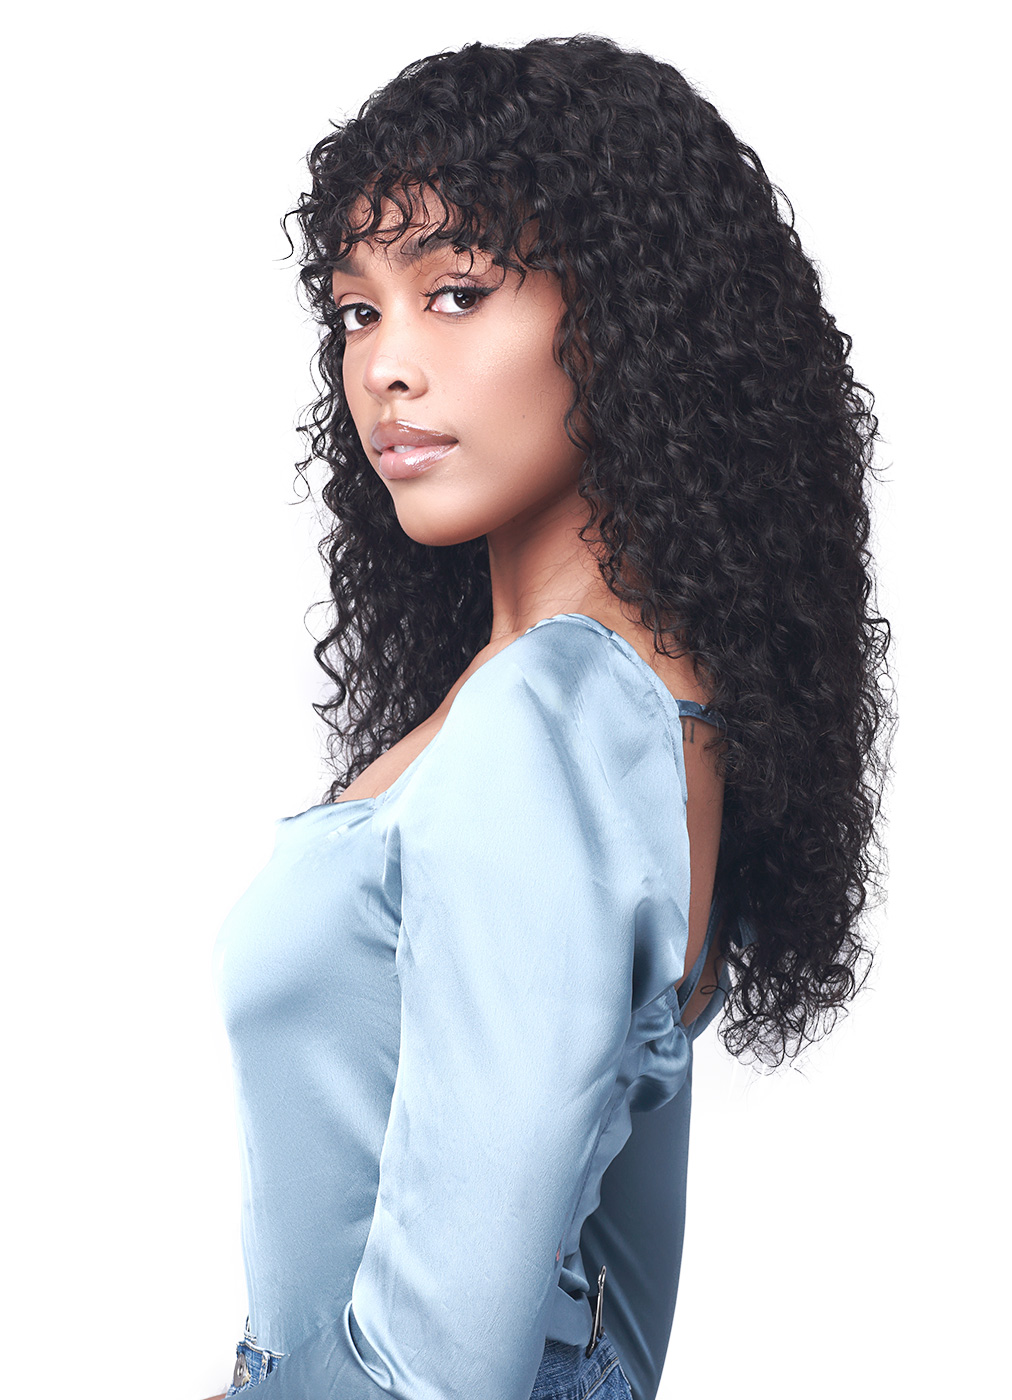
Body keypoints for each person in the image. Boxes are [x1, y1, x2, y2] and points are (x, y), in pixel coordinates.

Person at [205, 33, 893, 1400]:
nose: (386, 368)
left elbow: (443, 1360)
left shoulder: (560, 715)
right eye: (358, 312)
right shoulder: (602, 700)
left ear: (629, 319)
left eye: (456, 293)